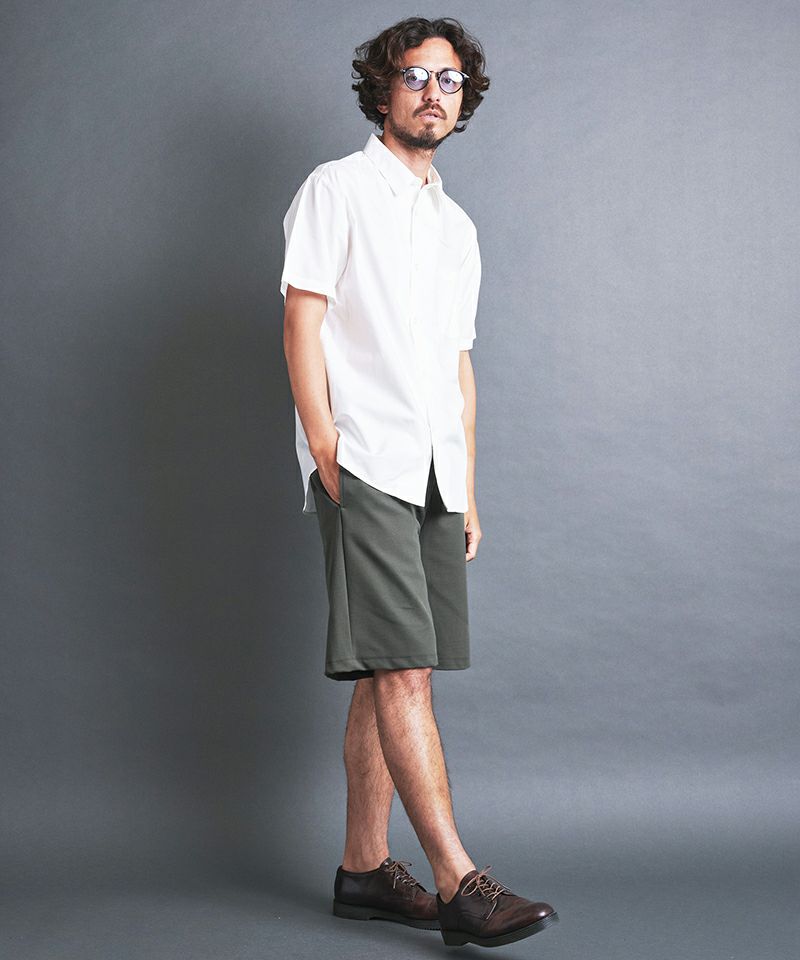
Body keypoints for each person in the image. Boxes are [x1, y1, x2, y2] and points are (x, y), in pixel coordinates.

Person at [279, 15, 559, 949]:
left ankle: (364, 870)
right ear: (382, 89)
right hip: (365, 460)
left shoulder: (457, 226)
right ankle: (459, 883)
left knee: (388, 667)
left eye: (449, 81)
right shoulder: (336, 189)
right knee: (403, 668)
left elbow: (457, 364)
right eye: (414, 76)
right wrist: (326, 445)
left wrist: (468, 485)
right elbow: (302, 319)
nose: (432, 94)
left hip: (436, 470)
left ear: (462, 99)